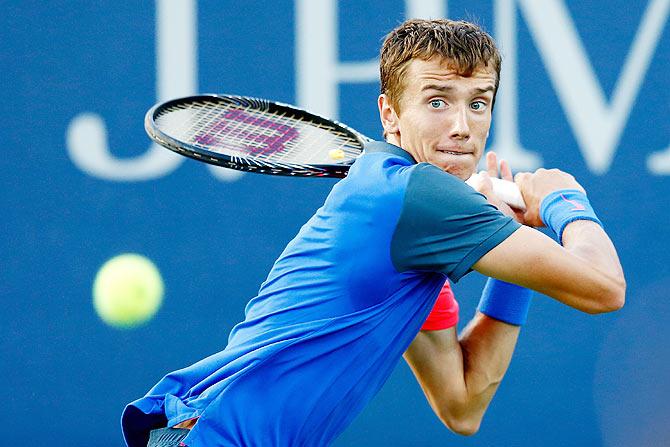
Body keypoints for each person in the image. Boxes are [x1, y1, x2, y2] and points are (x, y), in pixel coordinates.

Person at [122, 19, 625, 447]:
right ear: (390, 114)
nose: (461, 126)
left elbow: (462, 404)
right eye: (436, 101)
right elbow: (605, 288)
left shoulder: (415, 229)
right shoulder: (419, 198)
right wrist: (565, 200)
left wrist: (514, 245)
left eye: (478, 103)